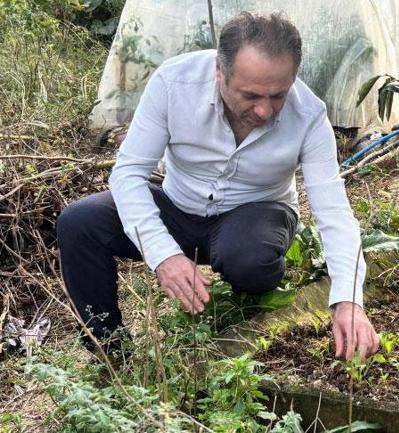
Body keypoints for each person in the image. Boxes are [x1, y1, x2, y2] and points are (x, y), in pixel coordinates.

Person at [57, 11, 379, 360]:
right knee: (79, 222)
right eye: (251, 95)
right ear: (219, 71)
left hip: (256, 214)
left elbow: (334, 212)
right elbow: (128, 173)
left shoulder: (309, 116)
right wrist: (163, 254)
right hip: (179, 205)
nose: (264, 111)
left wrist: (348, 300)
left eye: (278, 96)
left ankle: (246, 301)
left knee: (249, 258)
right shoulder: (173, 84)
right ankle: (109, 350)